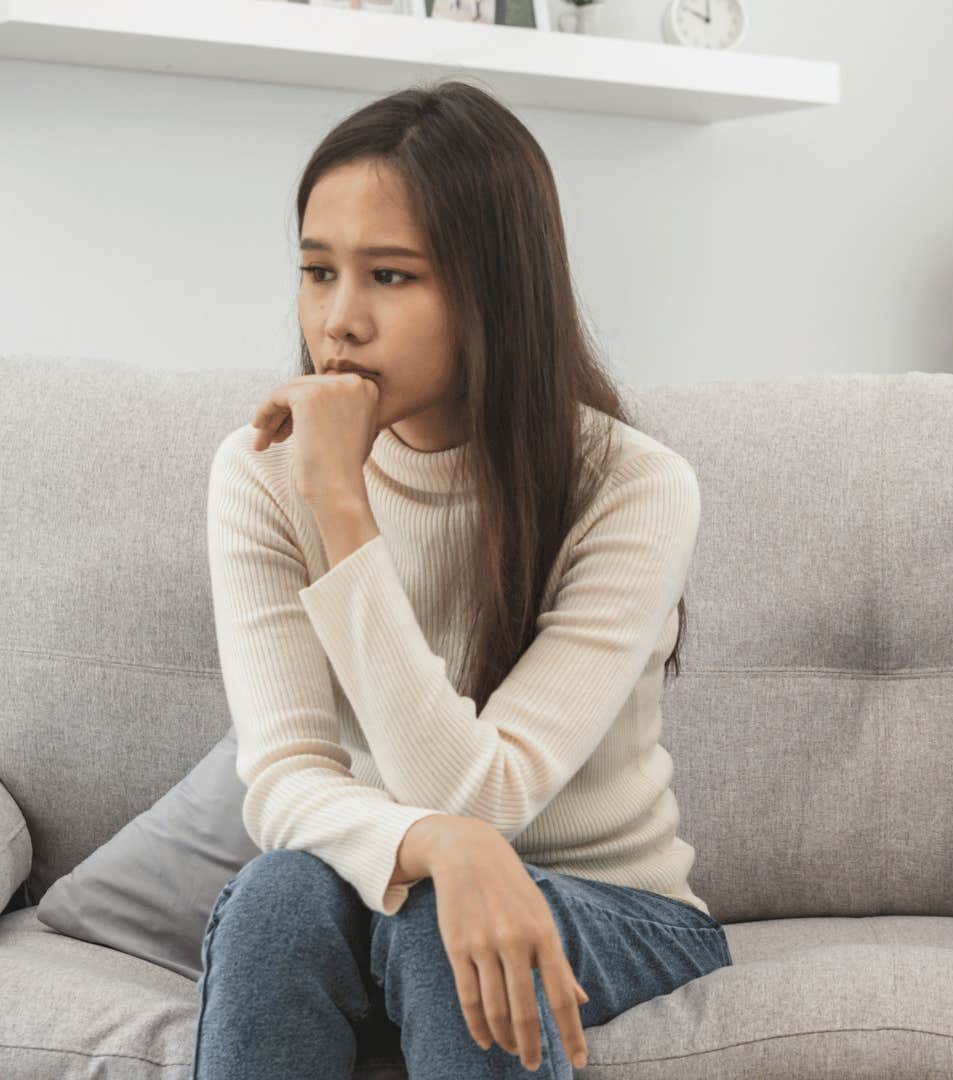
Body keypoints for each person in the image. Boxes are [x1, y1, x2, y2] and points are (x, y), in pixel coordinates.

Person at [195, 79, 730, 1077]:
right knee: (277, 895)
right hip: (392, 876)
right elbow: (283, 782)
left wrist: (343, 512)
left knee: (438, 917)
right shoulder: (258, 473)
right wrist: (439, 846)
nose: (338, 322)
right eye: (318, 272)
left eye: (389, 277)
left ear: (491, 288)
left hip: (621, 908)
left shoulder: (634, 489)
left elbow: (482, 800)